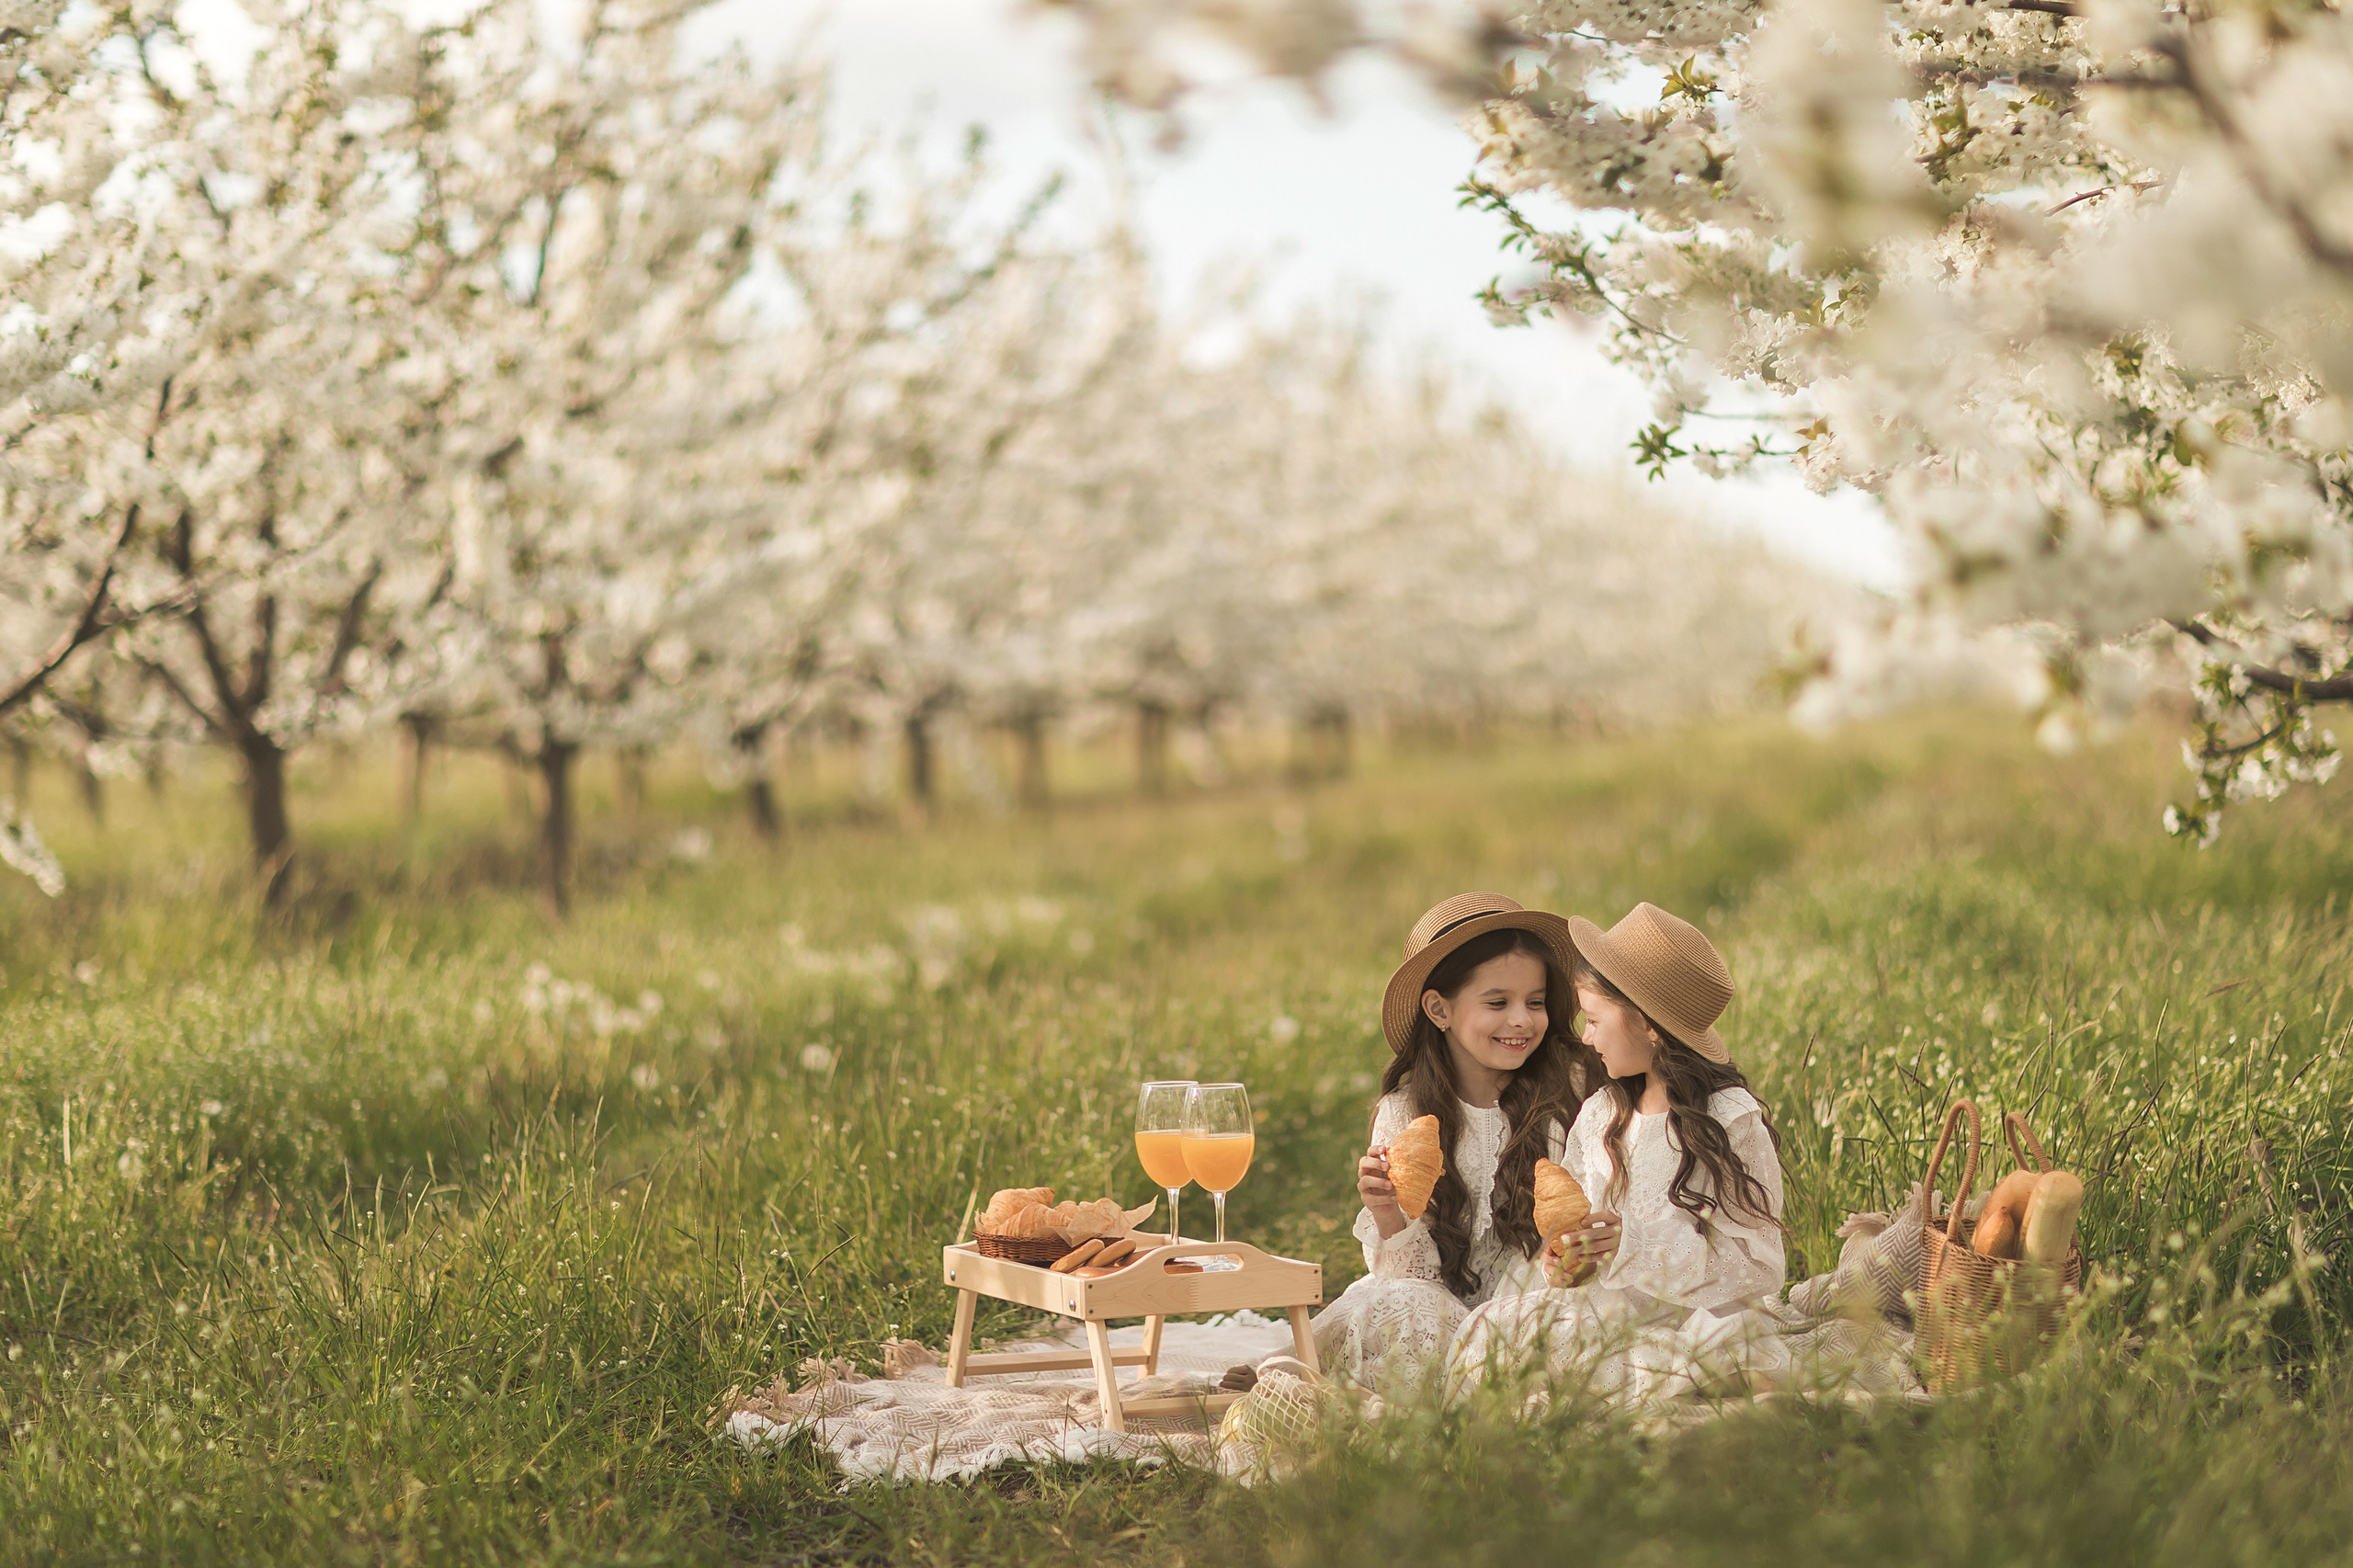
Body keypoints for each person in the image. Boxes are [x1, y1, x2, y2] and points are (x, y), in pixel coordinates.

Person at [1448, 901, 1789, 1403]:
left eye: (1593, 1019)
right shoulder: (1602, 1113)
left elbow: (1760, 1265)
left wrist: (1634, 1245)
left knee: (1594, 1366)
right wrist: (1568, 1259)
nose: (1585, 1036)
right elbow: (1570, 1235)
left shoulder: (1728, 1119)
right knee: (1500, 1337)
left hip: (1693, 1324)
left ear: (1648, 1025)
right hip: (1601, 1313)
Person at [1308, 892, 1603, 1393]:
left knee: (1563, 1328)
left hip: (1538, 1298)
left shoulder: (1572, 1089)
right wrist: (1386, 1215)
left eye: (1535, 1002)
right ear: (1438, 1008)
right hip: (1434, 1304)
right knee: (1401, 1305)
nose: (1522, 1020)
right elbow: (1407, 1276)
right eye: (1497, 1003)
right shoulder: (1405, 1113)